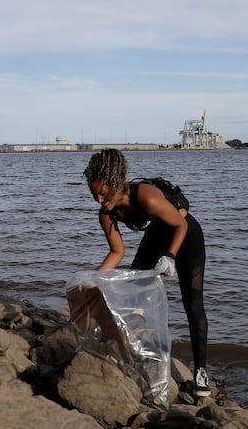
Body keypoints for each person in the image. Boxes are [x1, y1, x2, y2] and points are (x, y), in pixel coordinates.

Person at [83, 148, 210, 397]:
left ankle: (201, 372)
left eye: (102, 193)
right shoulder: (106, 213)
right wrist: (94, 279)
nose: (99, 199)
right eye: (93, 194)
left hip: (186, 235)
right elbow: (117, 251)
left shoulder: (147, 197)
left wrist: (170, 257)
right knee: (133, 297)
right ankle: (140, 357)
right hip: (157, 238)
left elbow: (181, 223)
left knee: (193, 304)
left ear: (115, 183)